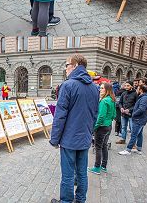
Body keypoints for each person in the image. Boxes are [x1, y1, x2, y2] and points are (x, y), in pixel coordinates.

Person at [50, 54, 99, 203]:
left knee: (68, 174)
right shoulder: (94, 88)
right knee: (82, 173)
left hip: (69, 139)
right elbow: (95, 115)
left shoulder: (68, 85)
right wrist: (89, 132)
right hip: (84, 138)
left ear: (75, 65)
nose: (65, 69)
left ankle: (66, 201)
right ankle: (80, 200)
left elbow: (60, 116)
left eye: (67, 65)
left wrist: (54, 139)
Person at [88, 82, 116, 175]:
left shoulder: (104, 101)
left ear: (107, 90)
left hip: (102, 127)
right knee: (104, 146)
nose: (100, 90)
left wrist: (94, 127)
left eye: (102, 88)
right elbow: (114, 115)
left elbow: (101, 116)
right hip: (108, 126)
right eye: (100, 88)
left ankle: (96, 167)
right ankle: (103, 166)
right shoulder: (112, 99)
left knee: (98, 147)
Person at [119, 84, 147, 155]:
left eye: (137, 89)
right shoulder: (143, 97)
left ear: (141, 90)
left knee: (134, 135)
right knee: (139, 134)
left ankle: (128, 150)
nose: (136, 90)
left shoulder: (144, 98)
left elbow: (141, 109)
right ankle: (138, 149)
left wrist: (133, 114)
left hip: (138, 119)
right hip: (141, 119)